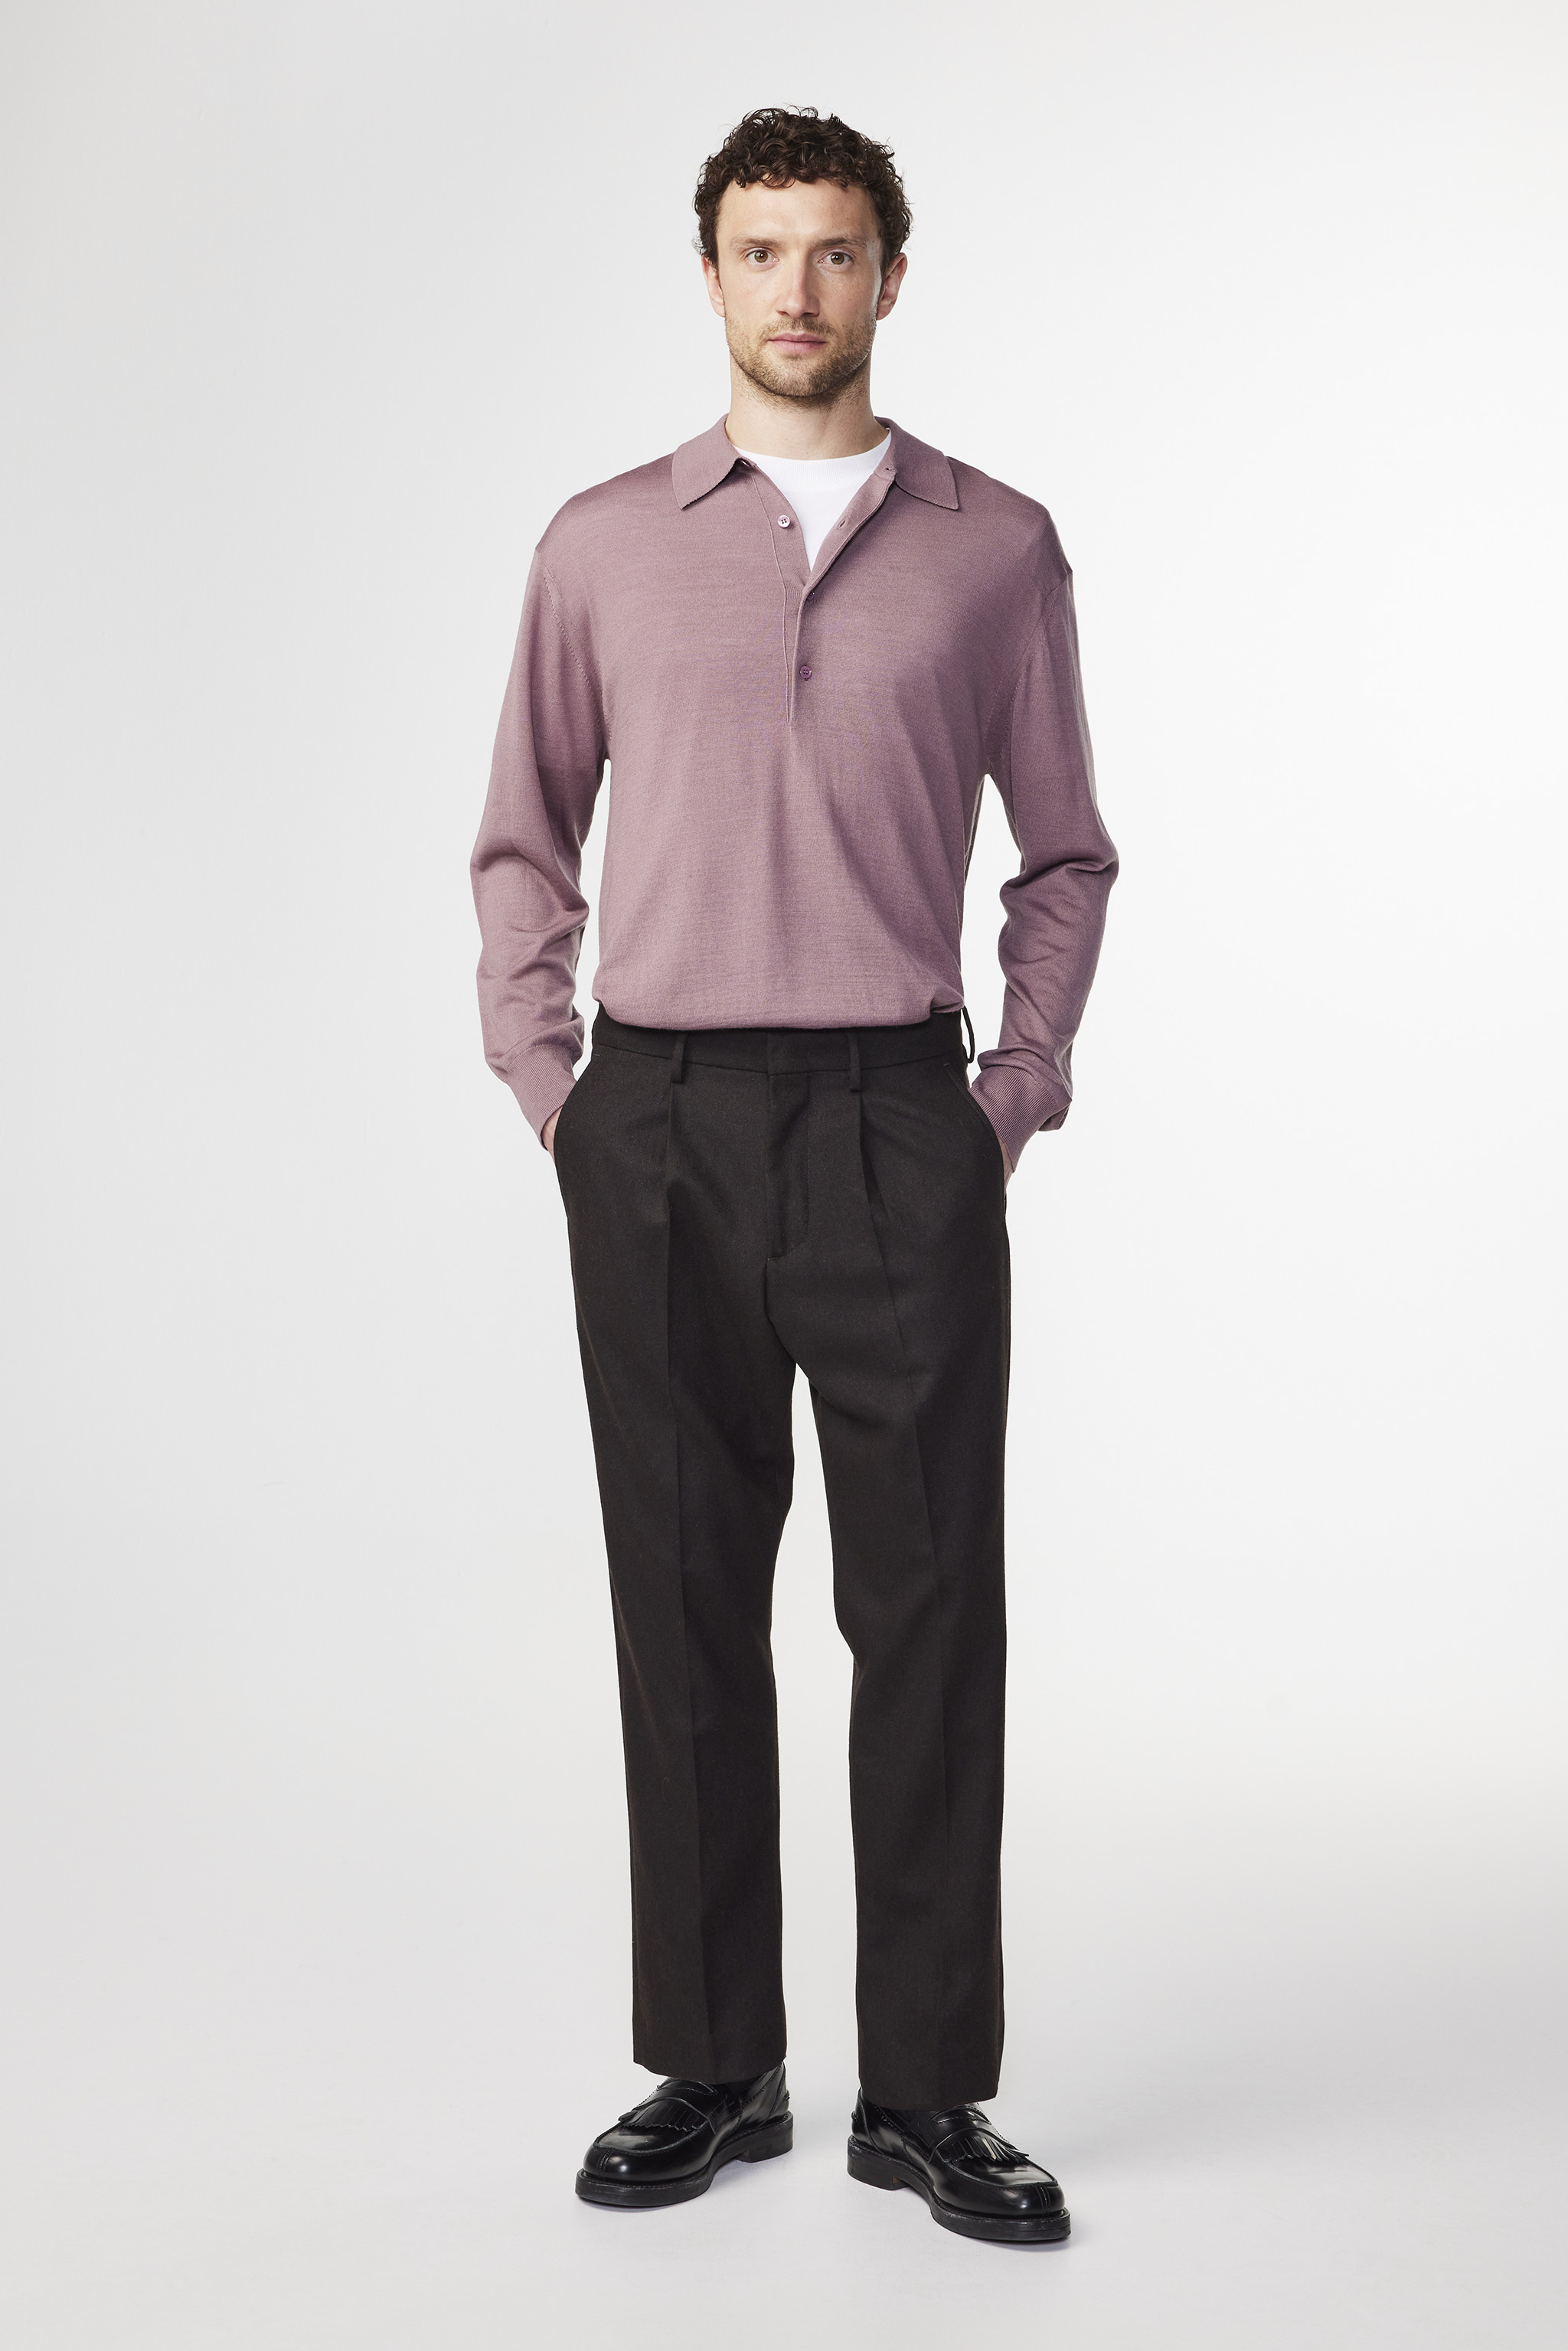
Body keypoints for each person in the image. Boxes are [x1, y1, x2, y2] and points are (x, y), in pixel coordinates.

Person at [471, 105, 1116, 2245]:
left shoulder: (996, 546)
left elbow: (1066, 853)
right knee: (679, 1599)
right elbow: (524, 835)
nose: (798, 291)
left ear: (891, 278)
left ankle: (924, 2093)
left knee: (929, 1605)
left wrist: (1005, 1095)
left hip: (895, 1120)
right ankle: (715, 2061)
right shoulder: (601, 543)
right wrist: (557, 1087)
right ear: (713, 275)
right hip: (656, 1125)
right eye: (761, 252)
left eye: (836, 252)